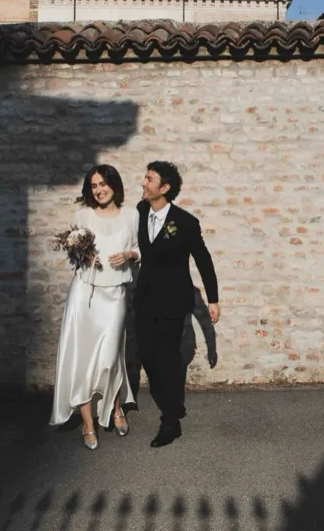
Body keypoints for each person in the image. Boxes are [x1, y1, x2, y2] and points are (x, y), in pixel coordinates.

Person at [49, 164, 139, 450]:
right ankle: (88, 423)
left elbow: (142, 249)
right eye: (94, 185)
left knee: (109, 358)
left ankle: (115, 407)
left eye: (103, 184)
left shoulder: (131, 215)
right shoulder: (82, 216)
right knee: (83, 358)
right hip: (84, 294)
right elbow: (73, 252)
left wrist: (130, 255)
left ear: (114, 184)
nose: (99, 190)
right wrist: (83, 256)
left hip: (115, 293)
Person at [134, 161, 220, 448]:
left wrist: (213, 300)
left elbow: (204, 261)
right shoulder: (140, 211)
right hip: (145, 299)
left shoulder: (185, 222)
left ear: (165, 187)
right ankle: (173, 402)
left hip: (173, 302)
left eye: (149, 179)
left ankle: (171, 421)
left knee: (168, 358)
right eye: (145, 177)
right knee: (147, 355)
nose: (143, 183)